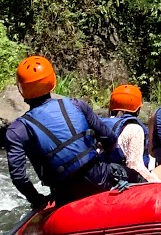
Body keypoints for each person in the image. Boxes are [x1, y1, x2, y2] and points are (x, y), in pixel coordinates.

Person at [3, 55, 129, 209]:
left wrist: (38, 201)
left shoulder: (16, 130)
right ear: (52, 82)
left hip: (63, 194)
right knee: (131, 173)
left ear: (22, 90)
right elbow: (110, 139)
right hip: (99, 178)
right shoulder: (76, 105)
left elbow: (19, 177)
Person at [105, 84, 161, 185]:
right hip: (126, 183)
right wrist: (156, 183)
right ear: (137, 108)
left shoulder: (102, 125)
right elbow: (134, 165)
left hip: (106, 179)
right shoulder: (135, 129)